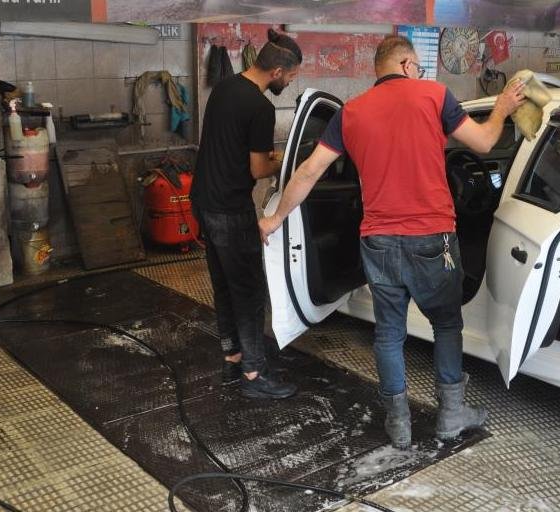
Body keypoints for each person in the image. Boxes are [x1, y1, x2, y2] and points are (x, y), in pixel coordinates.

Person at [259, 35, 525, 446]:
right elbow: (486, 142)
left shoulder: (351, 112)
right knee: (447, 324)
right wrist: (503, 107)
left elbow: (309, 171)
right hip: (432, 238)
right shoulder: (435, 96)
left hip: (379, 241)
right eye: (417, 67)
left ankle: (398, 423)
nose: (419, 73)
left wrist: (275, 218)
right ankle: (451, 414)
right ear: (405, 64)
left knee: (388, 333)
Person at [191, 28, 303, 400]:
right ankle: (255, 375)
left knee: (225, 285)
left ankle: (233, 356)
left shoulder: (224, 88)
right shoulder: (261, 108)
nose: (290, 82)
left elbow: (230, 146)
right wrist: (286, 161)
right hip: (230, 209)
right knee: (250, 292)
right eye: (291, 76)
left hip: (204, 201)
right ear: (277, 71)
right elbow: (258, 169)